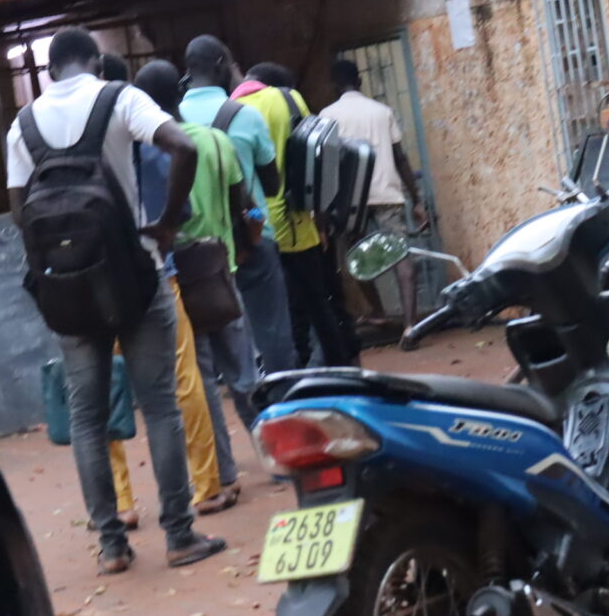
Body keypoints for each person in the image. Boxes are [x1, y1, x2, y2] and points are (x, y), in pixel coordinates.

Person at [5, 26, 224, 574]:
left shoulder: (22, 123)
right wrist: (168, 224)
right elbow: (184, 145)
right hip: (135, 277)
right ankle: (178, 535)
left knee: (87, 418)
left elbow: (18, 210)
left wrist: (62, 257)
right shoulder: (119, 97)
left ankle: (111, 545)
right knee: (160, 406)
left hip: (68, 289)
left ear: (53, 69)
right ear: (94, 63)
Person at [136, 58, 261, 485]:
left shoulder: (144, 152)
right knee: (244, 373)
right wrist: (247, 245)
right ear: (179, 90)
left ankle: (222, 471)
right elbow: (245, 206)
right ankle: (273, 455)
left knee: (200, 380)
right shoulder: (214, 141)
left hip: (174, 278)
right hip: (219, 272)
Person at [177, 35, 298, 374]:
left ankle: (233, 394)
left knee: (212, 333)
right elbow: (272, 186)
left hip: (200, 247)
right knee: (272, 327)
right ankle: (280, 390)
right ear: (220, 64)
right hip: (252, 234)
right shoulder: (244, 116)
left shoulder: (173, 119)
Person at [237, 62, 359, 367]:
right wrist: (320, 218)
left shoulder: (233, 108)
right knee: (319, 303)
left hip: (256, 225)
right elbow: (316, 157)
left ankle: (293, 375)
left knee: (280, 312)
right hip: (297, 220)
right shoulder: (290, 99)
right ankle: (341, 367)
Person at [319, 59, 430, 343]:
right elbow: (400, 157)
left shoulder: (327, 116)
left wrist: (324, 209)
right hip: (387, 194)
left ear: (334, 85)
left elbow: (327, 164)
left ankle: (378, 310)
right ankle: (409, 326)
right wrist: (416, 200)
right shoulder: (382, 112)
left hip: (350, 200)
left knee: (355, 257)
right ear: (360, 82)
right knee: (400, 256)